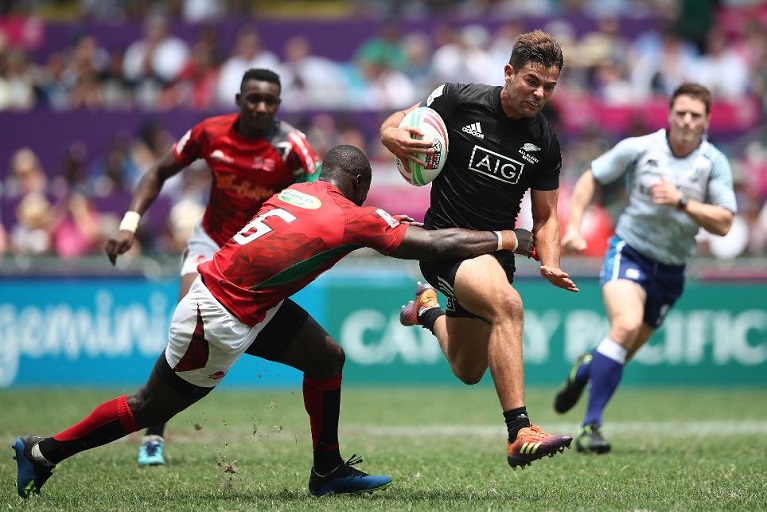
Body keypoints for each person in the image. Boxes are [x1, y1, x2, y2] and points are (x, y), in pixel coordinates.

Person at [14, 144, 538, 499]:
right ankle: (44, 452)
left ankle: (326, 469)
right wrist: (511, 238)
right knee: (149, 406)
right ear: (357, 182)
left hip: (238, 301)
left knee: (326, 356)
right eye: (366, 187)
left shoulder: (296, 193)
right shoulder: (348, 212)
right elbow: (434, 242)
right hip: (218, 317)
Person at [379, 29, 579, 469]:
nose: (540, 93)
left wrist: (551, 261)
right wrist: (391, 134)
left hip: (495, 256)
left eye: (550, 86)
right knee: (508, 306)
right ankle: (519, 431)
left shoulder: (544, 140)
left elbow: (545, 217)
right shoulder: (457, 98)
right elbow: (399, 121)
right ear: (509, 73)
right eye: (532, 81)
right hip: (445, 246)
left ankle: (429, 310)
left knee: (468, 370)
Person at [104, 68, 321, 467]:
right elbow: (158, 171)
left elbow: (323, 192)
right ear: (238, 99)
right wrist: (129, 223)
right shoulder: (211, 132)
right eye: (253, 98)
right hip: (211, 241)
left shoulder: (292, 146)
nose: (260, 106)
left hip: (258, 254)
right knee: (188, 320)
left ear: (278, 105)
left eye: (269, 101)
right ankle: (154, 433)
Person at [554, 83, 737, 453]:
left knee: (620, 349)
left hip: (671, 269)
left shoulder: (713, 163)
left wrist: (682, 202)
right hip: (630, 251)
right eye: (681, 112)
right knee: (625, 325)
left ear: (706, 121)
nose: (687, 120)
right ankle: (591, 429)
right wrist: (572, 227)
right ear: (669, 114)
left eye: (695, 115)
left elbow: (724, 222)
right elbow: (591, 177)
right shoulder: (640, 148)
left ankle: (586, 368)